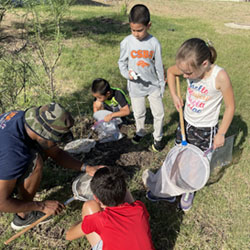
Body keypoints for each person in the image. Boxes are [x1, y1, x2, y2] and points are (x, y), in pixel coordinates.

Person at [159, 38, 235, 211]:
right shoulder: (188, 66)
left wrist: (221, 133)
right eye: (183, 72)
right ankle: (175, 184)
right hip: (186, 122)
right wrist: (174, 95)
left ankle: (189, 188)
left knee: (196, 161)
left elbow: (230, 106)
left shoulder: (219, 76)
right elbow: (171, 73)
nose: (184, 76)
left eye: (188, 73)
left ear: (205, 63)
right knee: (180, 152)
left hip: (206, 129)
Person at [0, 103, 102, 230]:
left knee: (40, 151)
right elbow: (2, 203)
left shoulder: (24, 119)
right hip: (7, 162)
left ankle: (12, 184)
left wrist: (87, 168)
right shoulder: (14, 155)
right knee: (35, 162)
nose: (57, 144)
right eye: (56, 140)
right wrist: (41, 206)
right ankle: (23, 217)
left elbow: (56, 153)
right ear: (42, 134)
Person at [66, 167, 155, 250]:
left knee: (89, 206)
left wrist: (85, 221)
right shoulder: (139, 208)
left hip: (97, 220)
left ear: (96, 198)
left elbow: (69, 235)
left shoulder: (98, 220)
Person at [118, 4, 165, 152]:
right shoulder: (127, 43)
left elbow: (159, 66)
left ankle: (158, 138)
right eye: (133, 30)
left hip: (153, 86)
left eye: (140, 30)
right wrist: (127, 75)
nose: (136, 34)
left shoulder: (154, 43)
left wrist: (161, 85)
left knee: (159, 113)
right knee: (139, 113)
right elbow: (122, 63)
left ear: (148, 25)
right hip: (135, 87)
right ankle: (140, 131)